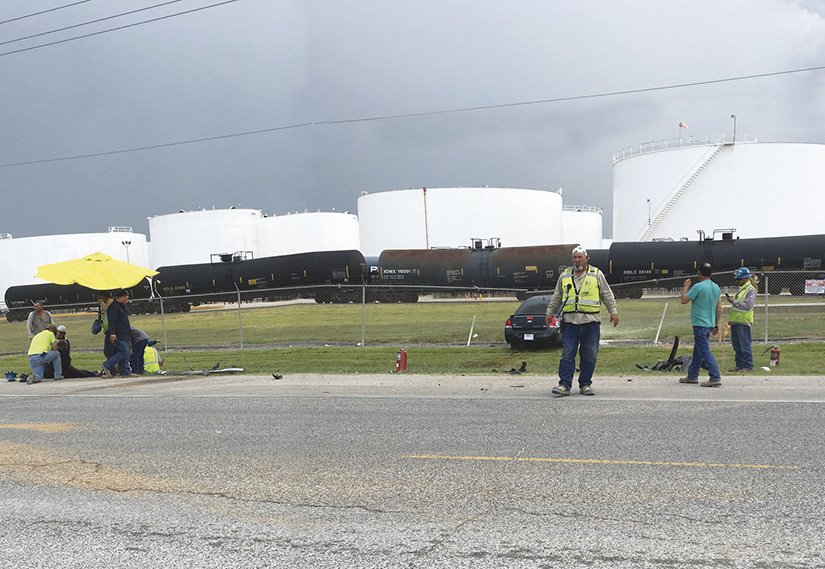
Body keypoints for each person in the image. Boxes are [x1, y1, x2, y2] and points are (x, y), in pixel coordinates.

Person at [545, 245, 619, 397]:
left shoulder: (596, 274)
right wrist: (549, 313)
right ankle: (564, 385)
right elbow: (557, 297)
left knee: (589, 355)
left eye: (580, 257)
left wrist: (613, 312)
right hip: (570, 323)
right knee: (567, 354)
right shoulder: (564, 276)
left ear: (587, 259)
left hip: (591, 322)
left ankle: (585, 384)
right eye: (575, 257)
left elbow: (607, 294)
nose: (577, 260)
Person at [680, 262, 723, 387]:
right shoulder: (716, 287)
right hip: (709, 323)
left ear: (699, 273)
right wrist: (716, 325)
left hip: (699, 323)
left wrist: (685, 287)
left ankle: (715, 376)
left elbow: (684, 300)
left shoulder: (698, 287)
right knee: (698, 351)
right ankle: (692, 375)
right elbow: (719, 307)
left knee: (704, 351)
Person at [725, 267, 757, 372]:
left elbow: (748, 306)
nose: (737, 281)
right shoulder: (742, 289)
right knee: (737, 346)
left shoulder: (751, 290)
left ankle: (748, 366)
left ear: (745, 278)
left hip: (743, 322)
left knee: (744, 345)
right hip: (735, 322)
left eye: (739, 279)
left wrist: (734, 301)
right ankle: (739, 365)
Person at [101, 290, 134, 378]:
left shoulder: (121, 306)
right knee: (124, 351)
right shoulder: (114, 307)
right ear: (122, 297)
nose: (127, 301)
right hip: (119, 334)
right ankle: (107, 365)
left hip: (125, 333)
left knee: (126, 352)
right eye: (126, 298)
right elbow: (112, 321)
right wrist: (112, 333)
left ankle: (125, 372)